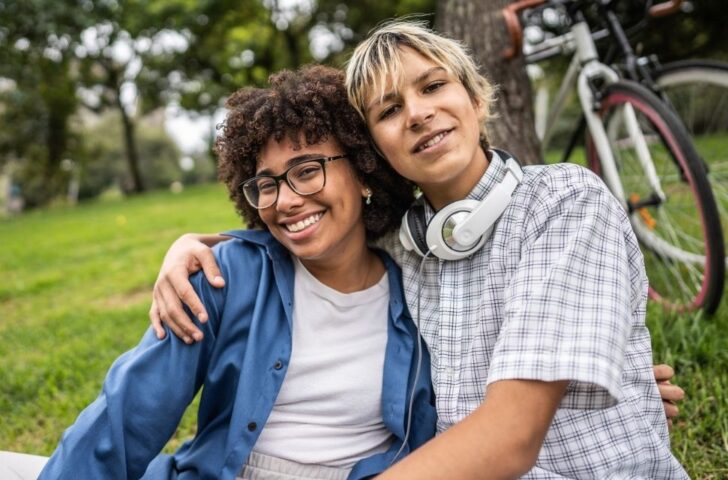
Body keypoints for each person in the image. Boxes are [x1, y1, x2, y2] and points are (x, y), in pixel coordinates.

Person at [151, 21, 689, 478]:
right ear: (373, 151)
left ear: (475, 97)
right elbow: (315, 228)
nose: (417, 113)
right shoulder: (401, 244)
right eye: (388, 110)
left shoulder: (564, 202)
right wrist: (194, 246)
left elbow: (513, 436)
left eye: (433, 86)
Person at [39, 65, 435, 480]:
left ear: (364, 173)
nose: (285, 201)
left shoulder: (418, 292)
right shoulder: (225, 275)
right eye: (267, 184)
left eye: (306, 171)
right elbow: (128, 414)